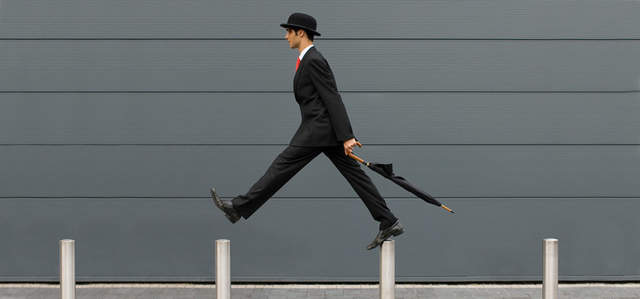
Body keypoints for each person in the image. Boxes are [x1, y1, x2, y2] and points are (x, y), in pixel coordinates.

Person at [211, 12, 403, 250]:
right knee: (356, 176)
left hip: (317, 131)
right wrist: (342, 136)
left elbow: (332, 97)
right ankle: (388, 220)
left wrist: (348, 136)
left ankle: (237, 208)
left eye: (288, 32)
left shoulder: (314, 60)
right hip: (324, 131)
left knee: (281, 166)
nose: (285, 37)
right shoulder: (307, 59)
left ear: (300, 33)